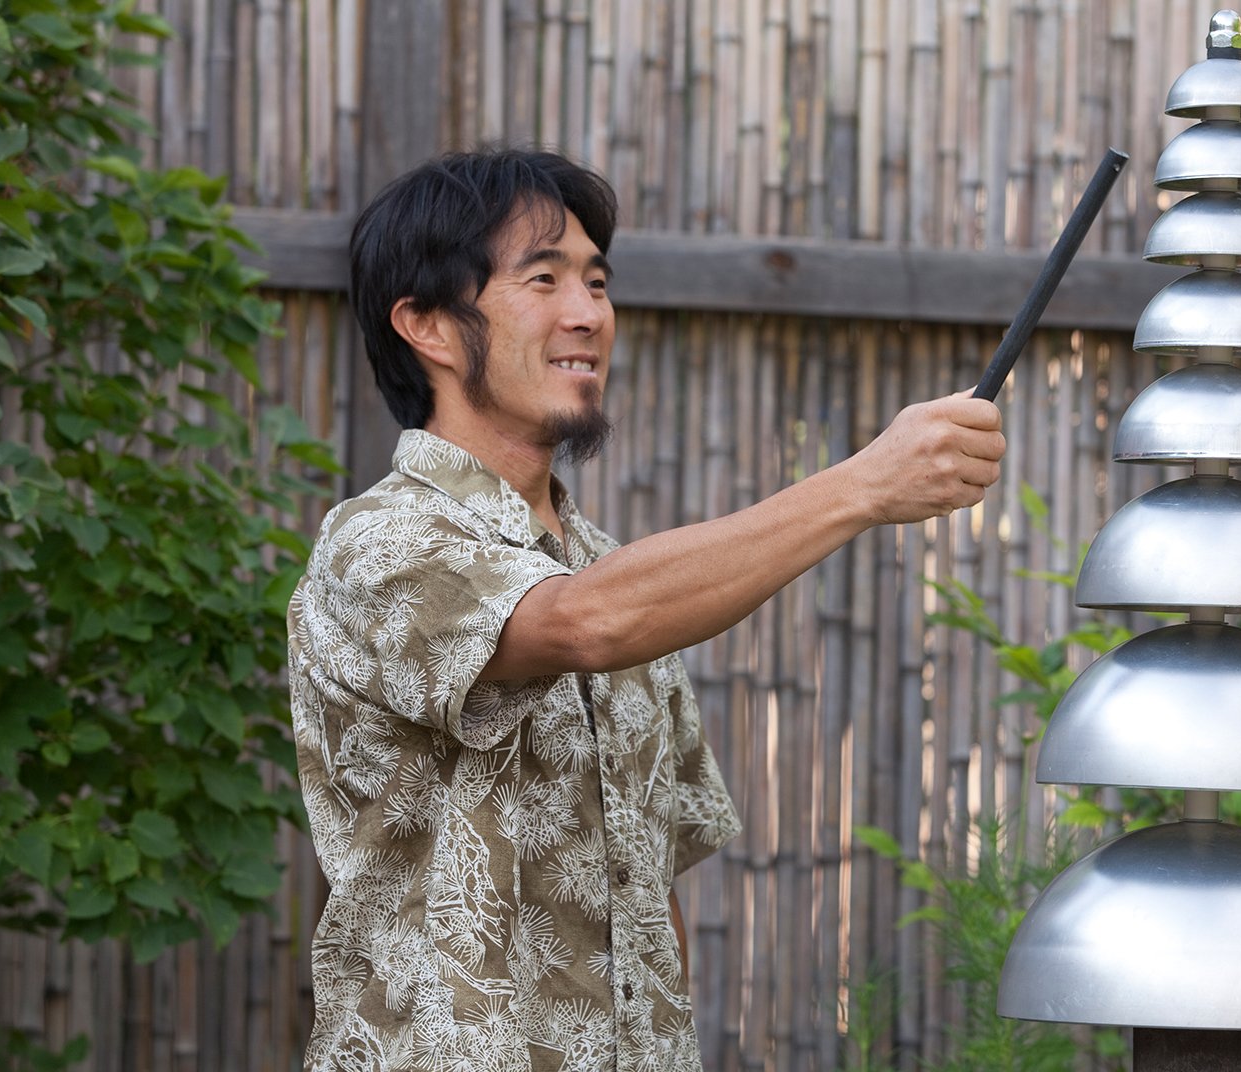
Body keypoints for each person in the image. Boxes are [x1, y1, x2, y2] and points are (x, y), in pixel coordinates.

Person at [287, 147, 1005, 1072]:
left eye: (596, 280)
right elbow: (576, 626)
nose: (587, 312)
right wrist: (865, 484)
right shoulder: (374, 544)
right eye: (541, 279)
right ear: (425, 324)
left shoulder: (613, 572)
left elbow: (648, 883)